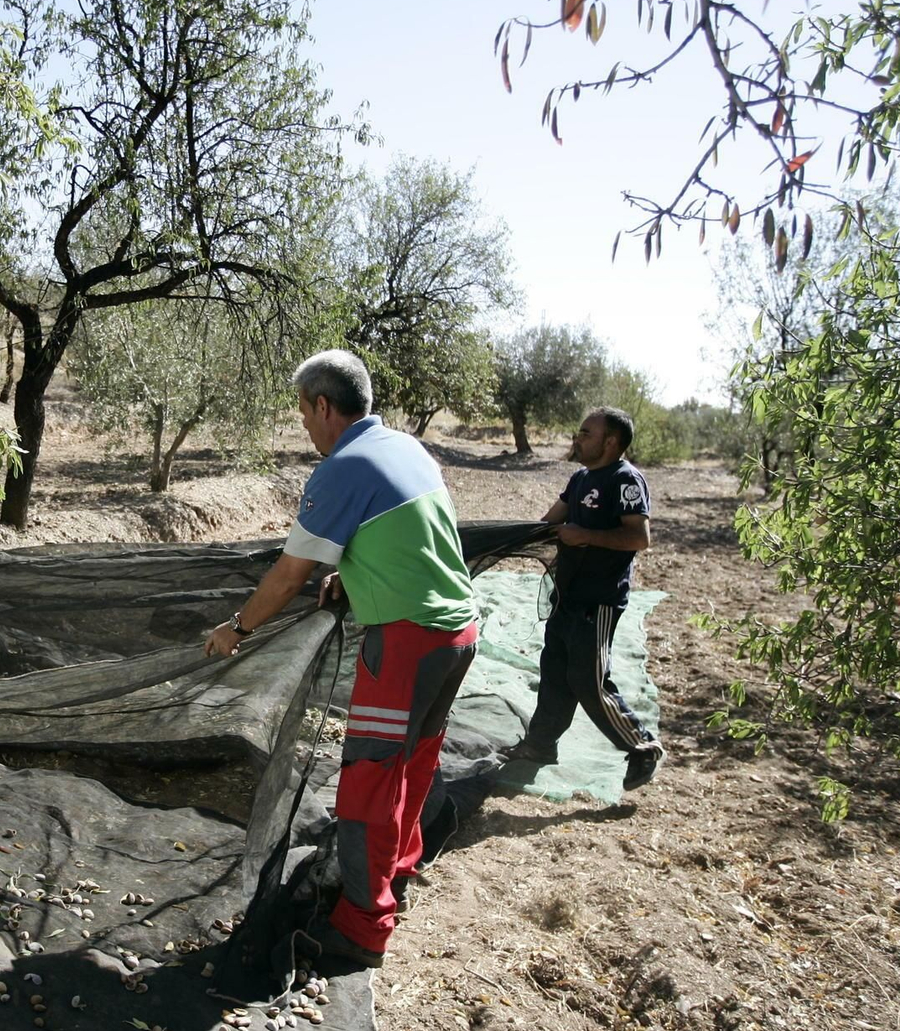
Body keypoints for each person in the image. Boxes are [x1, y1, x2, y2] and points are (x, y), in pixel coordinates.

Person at [203, 349, 478, 969]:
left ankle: (362, 928)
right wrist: (353, 575)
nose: (304, 424)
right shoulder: (405, 448)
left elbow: (288, 576)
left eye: (303, 412)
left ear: (324, 406)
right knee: (411, 766)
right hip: (458, 635)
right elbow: (409, 541)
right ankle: (396, 874)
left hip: (406, 644)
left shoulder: (342, 468)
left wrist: (236, 628)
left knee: (368, 783)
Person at [500, 406, 665, 790]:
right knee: (555, 670)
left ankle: (642, 746)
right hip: (566, 594)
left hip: (598, 599)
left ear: (610, 441)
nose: (578, 438)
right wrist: (503, 537)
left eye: (587, 433)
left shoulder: (625, 480)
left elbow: (639, 538)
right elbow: (550, 522)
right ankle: (541, 744)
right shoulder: (580, 479)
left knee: (588, 679)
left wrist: (586, 535)